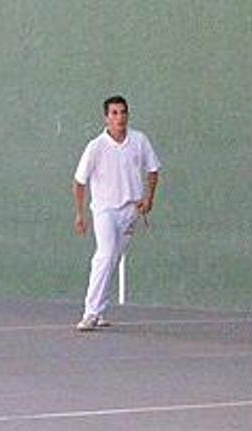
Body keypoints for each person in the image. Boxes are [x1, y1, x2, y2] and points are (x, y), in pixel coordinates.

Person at [72, 95, 160, 330]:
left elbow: (153, 170)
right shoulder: (96, 147)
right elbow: (79, 182)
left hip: (130, 211)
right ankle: (90, 313)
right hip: (104, 210)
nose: (119, 117)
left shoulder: (139, 141)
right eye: (114, 113)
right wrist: (80, 215)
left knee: (112, 259)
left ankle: (99, 312)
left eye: (123, 112)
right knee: (105, 254)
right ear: (106, 117)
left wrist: (149, 199)